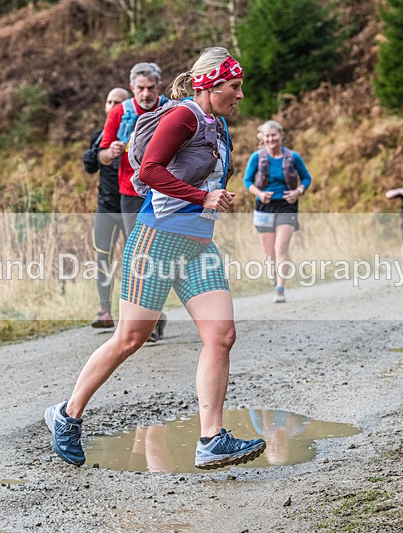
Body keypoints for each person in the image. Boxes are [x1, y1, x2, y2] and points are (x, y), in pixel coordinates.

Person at [45, 46, 266, 470]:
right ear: (210, 84)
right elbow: (148, 170)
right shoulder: (183, 116)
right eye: (234, 87)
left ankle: (211, 439)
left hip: (198, 245)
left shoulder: (218, 125)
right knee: (131, 337)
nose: (240, 95)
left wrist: (208, 200)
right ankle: (67, 414)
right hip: (157, 240)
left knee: (221, 335)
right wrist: (203, 196)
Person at [98, 62, 168, 340]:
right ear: (132, 88)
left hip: (166, 192)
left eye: (151, 88)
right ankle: (150, 319)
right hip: (130, 193)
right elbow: (101, 155)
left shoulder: (170, 110)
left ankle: (153, 315)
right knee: (140, 255)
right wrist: (111, 152)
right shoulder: (119, 113)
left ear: (159, 87)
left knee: (160, 253)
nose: (146, 94)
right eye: (140, 88)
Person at [243, 120, 312, 303]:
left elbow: (306, 178)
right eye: (267, 136)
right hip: (264, 206)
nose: (271, 139)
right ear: (262, 138)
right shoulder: (257, 157)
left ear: (281, 136)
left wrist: (298, 191)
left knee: (281, 247)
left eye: (274, 135)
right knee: (269, 254)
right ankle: (275, 276)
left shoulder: (293, 157)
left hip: (286, 205)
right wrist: (259, 193)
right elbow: (247, 181)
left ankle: (280, 288)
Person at [84, 87, 131, 328]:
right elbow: (90, 168)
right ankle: (105, 311)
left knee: (139, 261)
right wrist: (94, 152)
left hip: (131, 206)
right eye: (109, 101)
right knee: (102, 256)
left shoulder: (136, 133)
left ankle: (148, 317)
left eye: (118, 102)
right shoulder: (98, 136)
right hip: (106, 206)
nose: (112, 106)